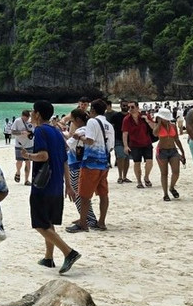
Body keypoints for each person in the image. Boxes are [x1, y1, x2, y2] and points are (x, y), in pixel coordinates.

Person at [21, 101, 81, 274]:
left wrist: (28, 156)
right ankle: (48, 258)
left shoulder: (40, 131)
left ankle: (69, 252)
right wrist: (68, 185)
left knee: (40, 224)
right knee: (48, 222)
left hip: (43, 185)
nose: (32, 114)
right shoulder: (56, 130)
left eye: (33, 111)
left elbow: (43, 156)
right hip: (56, 184)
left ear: (38, 114)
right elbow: (64, 160)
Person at [69, 100, 113, 231]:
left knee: (84, 195)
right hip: (104, 163)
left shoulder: (92, 122)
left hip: (91, 163)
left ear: (92, 110)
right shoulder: (108, 125)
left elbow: (89, 140)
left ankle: (83, 223)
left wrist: (79, 138)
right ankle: (101, 222)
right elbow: (110, 146)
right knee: (103, 194)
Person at [149, 108, 185, 201]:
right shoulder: (158, 126)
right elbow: (155, 134)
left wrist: (182, 152)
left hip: (173, 150)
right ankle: (165, 194)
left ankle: (172, 187)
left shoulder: (173, 126)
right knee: (164, 173)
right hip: (162, 151)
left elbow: (177, 139)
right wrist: (159, 123)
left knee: (176, 172)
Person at [122, 101, 154, 188]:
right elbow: (125, 133)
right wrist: (125, 146)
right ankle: (139, 182)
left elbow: (154, 127)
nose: (130, 109)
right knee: (137, 163)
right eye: (128, 107)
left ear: (137, 107)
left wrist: (147, 120)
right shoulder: (126, 119)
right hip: (134, 144)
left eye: (132, 107)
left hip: (147, 142)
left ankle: (146, 177)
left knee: (149, 162)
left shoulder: (145, 116)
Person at [106, 100, 131, 183]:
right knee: (120, 157)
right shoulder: (115, 116)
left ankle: (125, 176)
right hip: (118, 139)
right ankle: (120, 176)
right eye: (123, 105)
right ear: (120, 106)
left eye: (126, 105)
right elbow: (111, 128)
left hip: (129, 140)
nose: (125, 107)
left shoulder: (131, 116)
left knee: (127, 158)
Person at [11, 110, 33, 184]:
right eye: (25, 118)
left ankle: (26, 180)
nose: (26, 119)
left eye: (27, 118)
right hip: (19, 144)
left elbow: (35, 131)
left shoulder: (31, 121)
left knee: (28, 162)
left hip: (29, 144)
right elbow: (12, 132)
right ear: (22, 116)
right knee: (19, 161)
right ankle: (18, 172)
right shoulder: (17, 121)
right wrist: (21, 132)